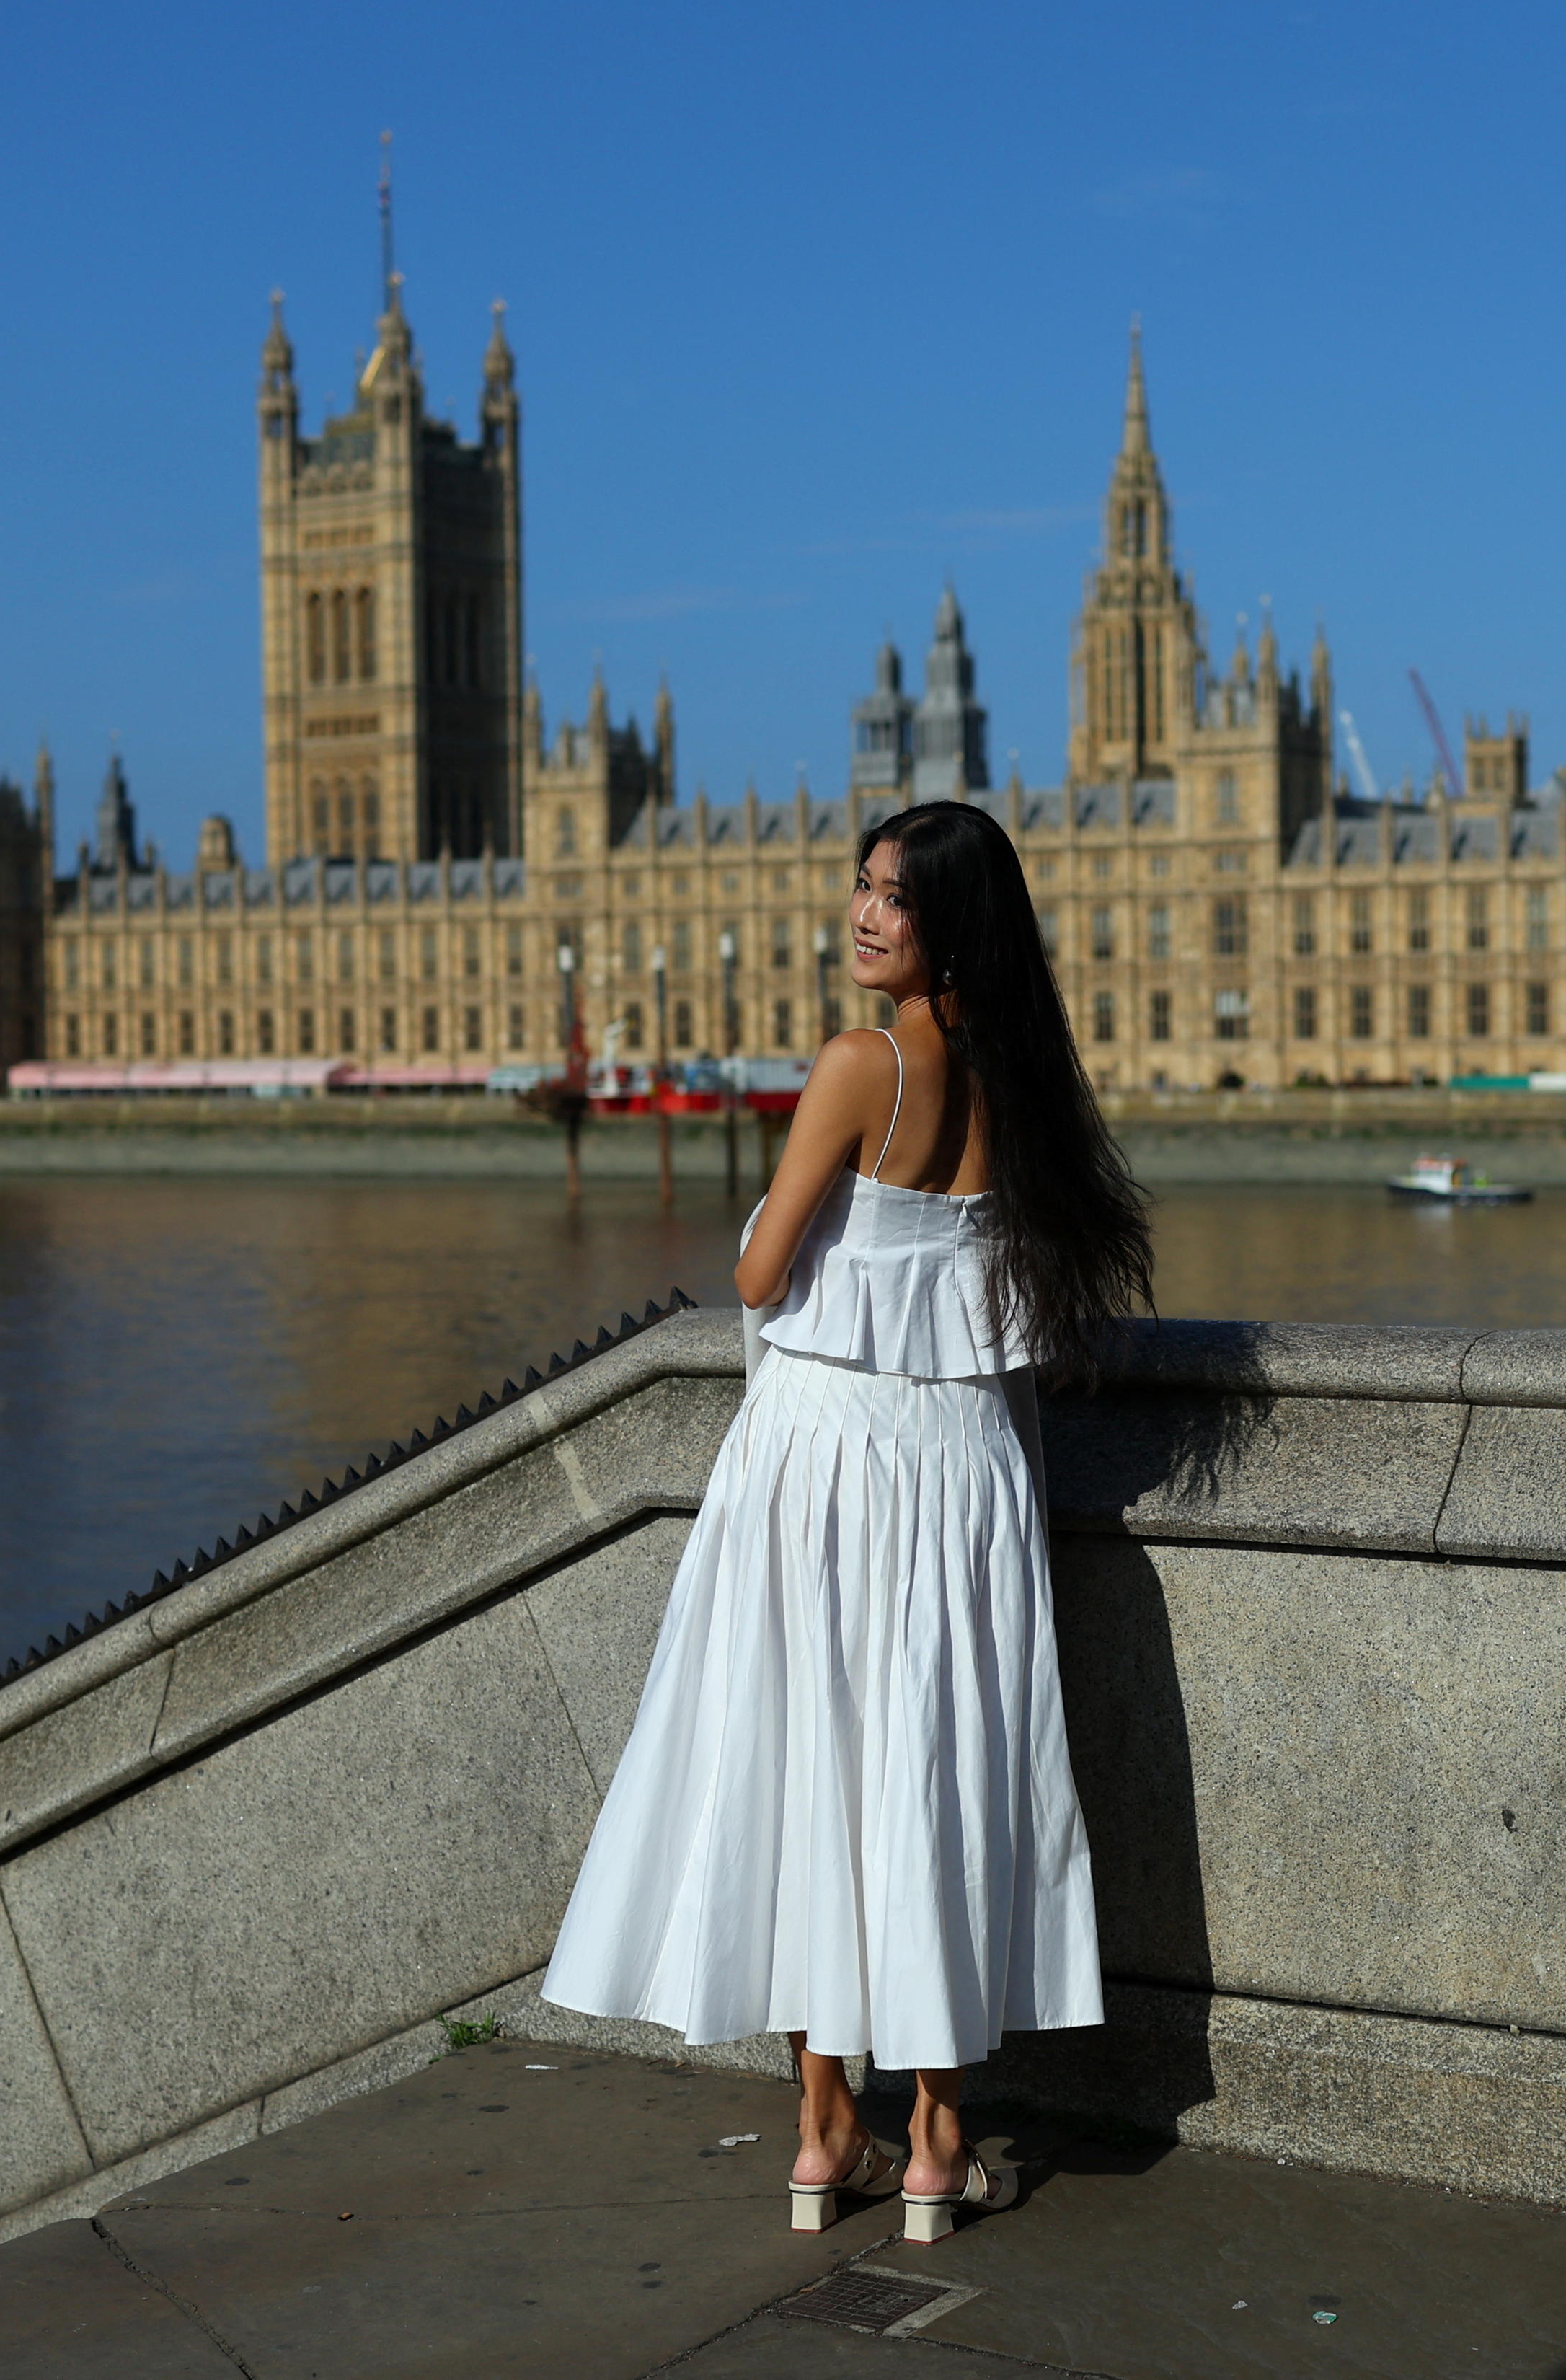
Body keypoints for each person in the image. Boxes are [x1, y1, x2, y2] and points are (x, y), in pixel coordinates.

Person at [541, 798, 1153, 2244]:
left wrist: (788, 1219)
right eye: (859, 885)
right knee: (934, 1778)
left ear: (952, 921)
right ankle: (936, 2137)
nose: (863, 913)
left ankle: (826, 2130)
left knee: (810, 1761)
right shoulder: (1021, 1084)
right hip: (961, 1461)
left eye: (892, 895)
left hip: (825, 1456)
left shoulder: (856, 1064)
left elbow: (759, 1275)